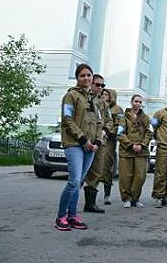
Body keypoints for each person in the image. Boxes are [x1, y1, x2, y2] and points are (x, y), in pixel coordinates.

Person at [54, 63, 103, 231]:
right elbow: (67, 120)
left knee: (79, 181)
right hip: (75, 143)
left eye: (89, 75)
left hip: (90, 146)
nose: (86, 78)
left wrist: (97, 142)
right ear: (77, 78)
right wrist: (83, 140)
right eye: (82, 75)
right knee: (74, 181)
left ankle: (72, 216)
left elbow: (99, 122)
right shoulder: (70, 96)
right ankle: (61, 216)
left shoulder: (94, 98)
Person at [83, 74, 113, 213]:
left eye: (102, 85)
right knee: (79, 173)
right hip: (84, 140)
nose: (100, 87)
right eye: (97, 84)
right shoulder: (83, 99)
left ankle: (90, 203)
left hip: (100, 142)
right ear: (91, 84)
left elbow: (110, 121)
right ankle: (70, 203)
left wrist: (104, 132)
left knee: (97, 171)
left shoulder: (103, 103)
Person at [118, 94, 152, 208]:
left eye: (139, 102)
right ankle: (126, 198)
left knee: (140, 176)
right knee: (125, 176)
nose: (137, 103)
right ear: (131, 102)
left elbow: (149, 132)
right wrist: (131, 145)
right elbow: (120, 133)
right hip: (127, 151)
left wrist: (142, 145)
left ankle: (135, 198)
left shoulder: (145, 117)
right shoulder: (123, 117)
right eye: (136, 101)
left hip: (141, 151)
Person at [100, 89, 125, 205]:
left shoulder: (117, 109)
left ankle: (107, 193)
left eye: (106, 94)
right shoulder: (98, 106)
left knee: (107, 165)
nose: (104, 96)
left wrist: (111, 132)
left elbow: (121, 125)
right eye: (102, 94)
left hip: (109, 139)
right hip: (97, 137)